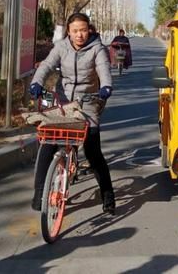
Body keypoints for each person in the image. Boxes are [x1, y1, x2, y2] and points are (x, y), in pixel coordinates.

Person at [29, 12, 116, 215]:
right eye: (75, 31)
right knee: (48, 143)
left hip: (89, 100)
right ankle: (39, 193)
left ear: (89, 30)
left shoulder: (97, 49)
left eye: (83, 30)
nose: (79, 35)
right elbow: (48, 65)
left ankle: (108, 194)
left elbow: (104, 70)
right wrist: (36, 82)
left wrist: (106, 87)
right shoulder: (61, 47)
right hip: (63, 99)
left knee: (92, 148)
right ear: (69, 31)